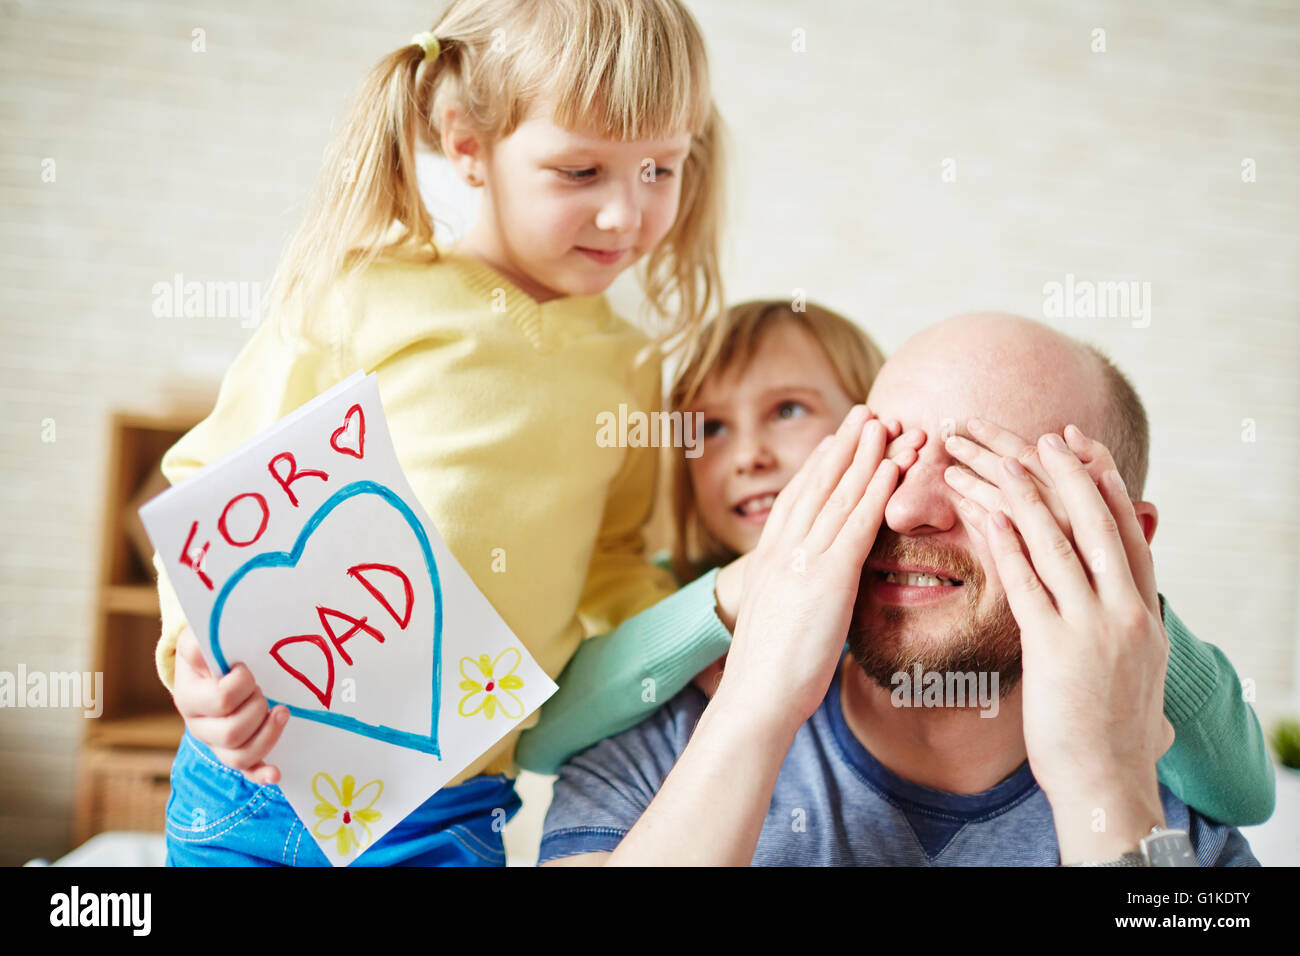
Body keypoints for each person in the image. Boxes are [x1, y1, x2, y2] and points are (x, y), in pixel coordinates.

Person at [157, 0, 751, 867]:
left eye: (661, 168)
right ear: (468, 145)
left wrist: (698, 647)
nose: (627, 214)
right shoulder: (366, 295)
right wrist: (190, 665)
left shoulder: (628, 369)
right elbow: (213, 484)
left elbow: (616, 557)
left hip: (447, 807)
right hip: (253, 779)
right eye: (581, 171)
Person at [538, 310, 1269, 865]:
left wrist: (1103, 782)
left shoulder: (1163, 801)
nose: (904, 508)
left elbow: (1250, 790)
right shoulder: (663, 745)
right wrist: (757, 706)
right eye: (887, 454)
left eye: (983, 469)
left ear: (1120, 535)